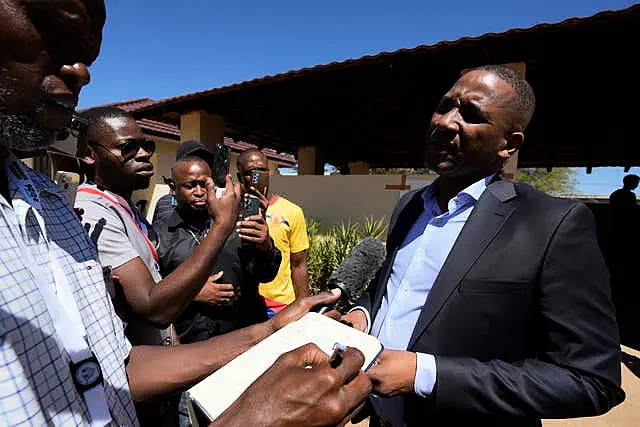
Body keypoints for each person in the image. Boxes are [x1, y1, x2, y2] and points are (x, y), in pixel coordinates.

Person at [0, 1, 372, 425]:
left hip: (212, 343)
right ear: (173, 190)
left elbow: (112, 370)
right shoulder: (153, 217)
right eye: (52, 30)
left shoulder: (46, 202)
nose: (80, 72)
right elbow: (155, 302)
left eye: (86, 56)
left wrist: (270, 327)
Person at [343, 65, 625, 427]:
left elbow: (591, 381)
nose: (445, 122)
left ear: (509, 144)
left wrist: (425, 374)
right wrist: (363, 314)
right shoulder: (409, 206)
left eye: (472, 115)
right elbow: (395, 286)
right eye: (445, 106)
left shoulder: (553, 224)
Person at [155, 147, 281, 343]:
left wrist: (265, 245)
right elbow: (152, 298)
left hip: (244, 337)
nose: (199, 192)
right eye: (190, 186)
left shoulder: (236, 224)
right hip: (190, 345)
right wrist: (193, 294)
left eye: (205, 185)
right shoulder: (161, 235)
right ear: (173, 186)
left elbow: (265, 275)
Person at [237, 150, 311, 316]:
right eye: (249, 172)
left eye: (261, 170)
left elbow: (298, 263)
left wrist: (305, 305)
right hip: (241, 304)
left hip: (280, 307)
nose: (256, 176)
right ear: (240, 176)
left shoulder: (292, 211)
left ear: (269, 173)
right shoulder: (228, 210)